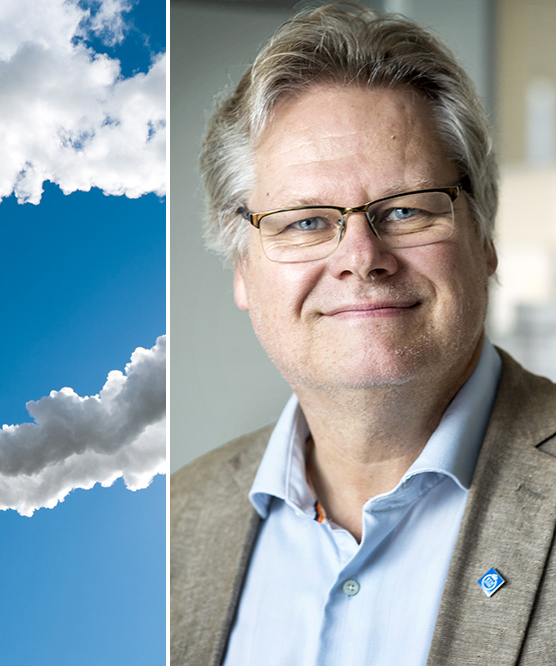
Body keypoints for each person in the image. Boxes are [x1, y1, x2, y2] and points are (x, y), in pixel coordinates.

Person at [170, 4, 556, 665]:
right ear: (242, 268)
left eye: (404, 210)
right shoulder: (174, 523)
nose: (359, 255)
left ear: (484, 237)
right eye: (305, 222)